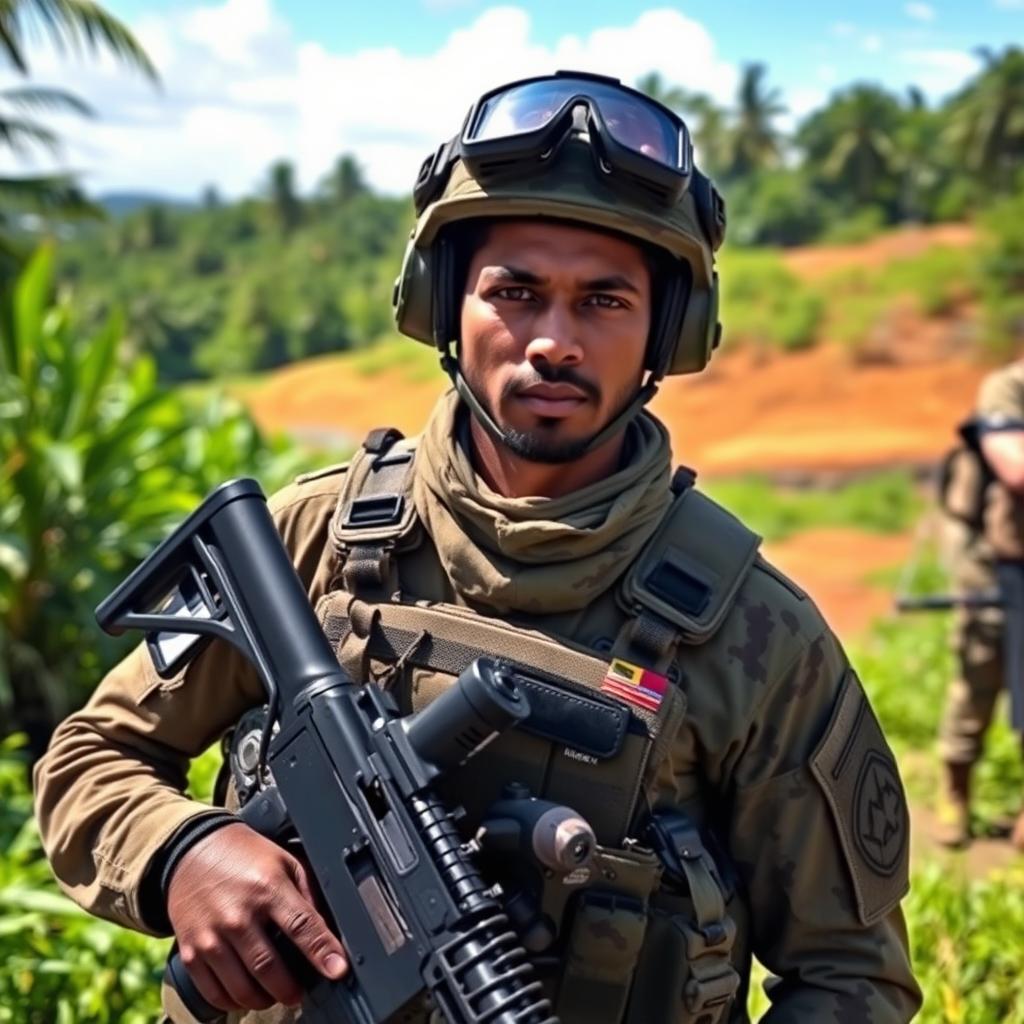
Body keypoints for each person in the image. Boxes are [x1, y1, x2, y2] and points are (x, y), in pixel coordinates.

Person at [34, 70, 920, 1023]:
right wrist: (184, 854)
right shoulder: (310, 539)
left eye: (605, 301)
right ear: (441, 303)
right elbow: (92, 754)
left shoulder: (755, 634)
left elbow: (850, 979)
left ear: (672, 331)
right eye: (516, 291)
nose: (553, 342)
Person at [937, 357, 1024, 849]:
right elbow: (1016, 470)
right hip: (997, 563)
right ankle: (956, 792)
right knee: (978, 683)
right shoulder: (1008, 388)